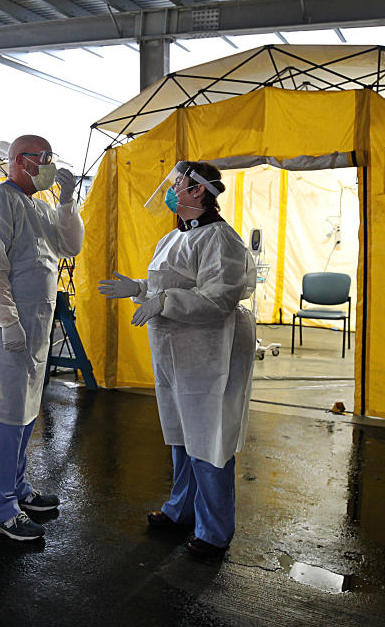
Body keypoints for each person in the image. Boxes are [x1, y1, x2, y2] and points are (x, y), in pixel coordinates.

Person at [98, 161, 257, 558]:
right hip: (174, 353)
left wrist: (165, 300)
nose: (171, 191)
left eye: (179, 185)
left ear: (199, 191)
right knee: (180, 435)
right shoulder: (174, 237)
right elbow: (161, 285)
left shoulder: (221, 239)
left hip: (208, 355)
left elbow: (220, 297)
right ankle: (181, 509)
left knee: (208, 437)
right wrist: (139, 287)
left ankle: (214, 531)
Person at [0, 135, 83, 541]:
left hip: (32, 328)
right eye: (42, 157)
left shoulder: (40, 206)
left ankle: (15, 489)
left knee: (23, 411)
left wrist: (66, 204)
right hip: (2, 328)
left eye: (51, 157)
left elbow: (68, 245)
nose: (48, 163)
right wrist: (6, 318)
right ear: (19, 161)